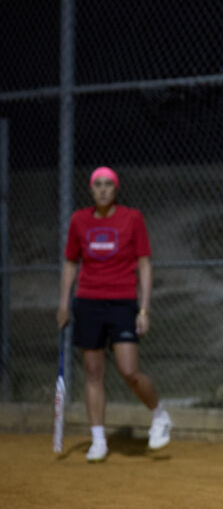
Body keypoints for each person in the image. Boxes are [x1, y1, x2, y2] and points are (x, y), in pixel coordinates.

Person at [57, 166, 172, 462]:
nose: (103, 189)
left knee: (129, 371)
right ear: (91, 189)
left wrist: (144, 309)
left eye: (108, 184)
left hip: (122, 303)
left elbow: (144, 263)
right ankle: (98, 440)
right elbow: (70, 263)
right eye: (98, 184)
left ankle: (159, 415)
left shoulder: (132, 218)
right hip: (88, 302)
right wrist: (64, 303)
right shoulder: (79, 220)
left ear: (116, 189)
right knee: (93, 372)